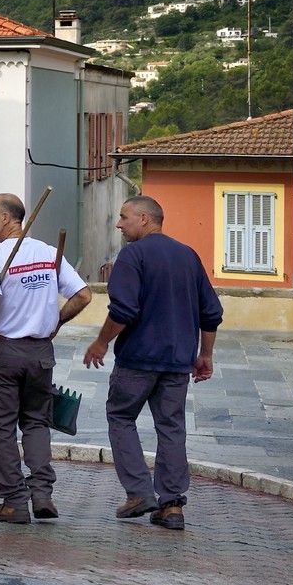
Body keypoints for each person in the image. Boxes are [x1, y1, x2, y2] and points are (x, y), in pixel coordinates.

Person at [83, 195, 222, 531]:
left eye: (124, 217)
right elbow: (211, 312)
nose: (119, 224)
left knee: (120, 416)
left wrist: (101, 342)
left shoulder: (132, 256)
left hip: (137, 360)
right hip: (177, 362)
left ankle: (138, 494)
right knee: (171, 428)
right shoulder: (188, 255)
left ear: (144, 219)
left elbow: (123, 311)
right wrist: (205, 355)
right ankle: (172, 505)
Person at [0, 193, 92, 524]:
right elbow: (83, 295)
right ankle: (43, 495)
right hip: (40, 353)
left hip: (4, 353)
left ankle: (14, 502)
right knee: (37, 423)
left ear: (6, 219)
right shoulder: (49, 253)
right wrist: (55, 323)